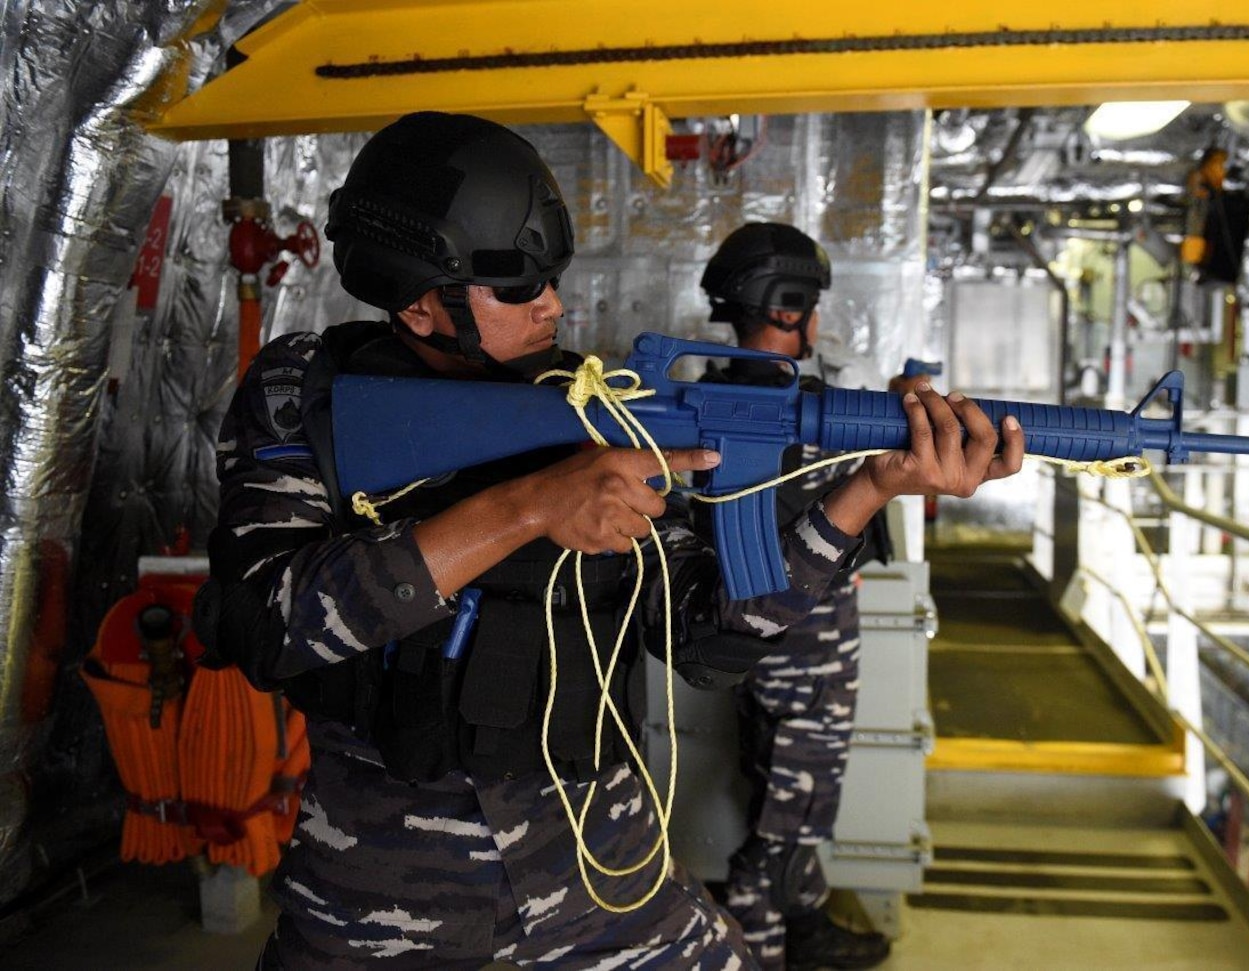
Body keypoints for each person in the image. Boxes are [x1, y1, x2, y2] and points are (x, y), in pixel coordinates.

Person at [203, 112, 1025, 969]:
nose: (554, 305)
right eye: (518, 288)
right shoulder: (314, 393)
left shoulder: (591, 405)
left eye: (551, 279)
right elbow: (267, 625)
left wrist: (871, 488)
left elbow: (712, 635)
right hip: (383, 882)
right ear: (418, 301)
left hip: (595, 859)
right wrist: (528, 508)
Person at [697, 223, 890, 971]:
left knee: (793, 810)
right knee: (782, 833)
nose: (816, 323)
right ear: (786, 307)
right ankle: (763, 955)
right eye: (810, 305)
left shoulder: (737, 402)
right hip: (801, 665)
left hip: (790, 662)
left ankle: (802, 927)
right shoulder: (785, 417)